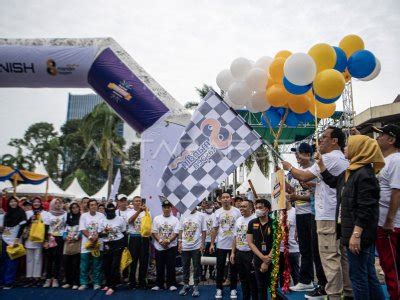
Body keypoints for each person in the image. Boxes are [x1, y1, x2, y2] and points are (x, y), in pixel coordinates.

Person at [282, 126, 353, 300]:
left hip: (327, 215)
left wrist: (289, 167)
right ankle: (348, 292)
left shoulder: (329, 157)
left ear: (335, 140)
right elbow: (330, 182)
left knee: (329, 258)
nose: (319, 140)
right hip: (337, 213)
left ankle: (333, 295)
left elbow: (304, 176)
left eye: (323, 137)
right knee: (341, 256)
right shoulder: (341, 158)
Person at [315, 134, 385, 299]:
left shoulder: (365, 175)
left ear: (359, 149)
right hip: (353, 232)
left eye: (349, 145)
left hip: (359, 234)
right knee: (367, 274)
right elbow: (333, 182)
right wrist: (321, 165)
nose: (345, 148)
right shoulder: (351, 172)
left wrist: (356, 234)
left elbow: (366, 208)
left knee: (358, 276)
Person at [287, 143, 325, 293]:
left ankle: (321, 282)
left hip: (313, 214)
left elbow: (317, 193)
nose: (297, 158)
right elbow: (292, 190)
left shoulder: (314, 169)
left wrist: (297, 196)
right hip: (300, 214)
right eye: (296, 156)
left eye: (299, 155)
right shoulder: (295, 172)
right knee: (304, 249)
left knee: (315, 250)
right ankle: (306, 280)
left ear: (308, 154)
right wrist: (283, 184)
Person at [371, 124, 400, 300]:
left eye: (381, 135)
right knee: (389, 266)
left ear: (391, 139)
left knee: (392, 269)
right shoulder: (386, 160)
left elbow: (397, 191)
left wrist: (389, 221)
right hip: (385, 224)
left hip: (391, 226)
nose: (378, 137)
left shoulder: (396, 160)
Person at [210, 192, 241, 299]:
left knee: (233, 268)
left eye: (227, 197)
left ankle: (233, 289)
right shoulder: (217, 212)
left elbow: (241, 227)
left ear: (230, 199)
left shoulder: (237, 211)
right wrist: (212, 243)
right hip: (221, 245)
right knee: (220, 267)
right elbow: (214, 229)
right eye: (223, 197)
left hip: (234, 245)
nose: (226, 199)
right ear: (220, 200)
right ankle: (219, 289)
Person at [247, 199, 273, 300]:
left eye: (260, 208)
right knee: (261, 287)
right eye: (256, 208)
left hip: (272, 258)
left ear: (267, 209)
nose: (257, 210)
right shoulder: (252, 223)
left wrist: (267, 261)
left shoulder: (274, 223)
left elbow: (277, 243)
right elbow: (250, 242)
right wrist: (262, 257)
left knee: (273, 286)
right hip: (258, 258)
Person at [230, 199, 257, 300]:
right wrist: (233, 252)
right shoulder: (238, 220)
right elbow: (235, 237)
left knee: (252, 280)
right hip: (239, 253)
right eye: (241, 206)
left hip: (251, 254)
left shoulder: (255, 220)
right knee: (243, 279)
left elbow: (258, 240)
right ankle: (245, 297)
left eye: (244, 206)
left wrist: (255, 256)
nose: (241, 208)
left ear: (251, 208)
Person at [98, 203, 127, 296]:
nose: (111, 212)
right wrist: (104, 232)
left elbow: (124, 232)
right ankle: (108, 283)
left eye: (112, 210)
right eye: (109, 211)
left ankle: (113, 286)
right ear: (106, 211)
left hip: (118, 243)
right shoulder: (102, 220)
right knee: (106, 265)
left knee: (115, 265)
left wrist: (124, 245)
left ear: (115, 210)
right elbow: (99, 234)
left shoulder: (120, 219)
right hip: (107, 244)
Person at [151, 199, 179, 291]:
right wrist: (160, 241)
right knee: (159, 266)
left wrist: (168, 241)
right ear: (162, 208)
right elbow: (154, 232)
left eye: (168, 207)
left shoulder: (175, 219)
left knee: (171, 265)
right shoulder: (156, 218)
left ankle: (171, 284)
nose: (166, 209)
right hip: (159, 246)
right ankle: (159, 284)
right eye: (165, 207)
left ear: (171, 208)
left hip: (171, 246)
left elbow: (176, 233)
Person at [0, 196, 27, 289]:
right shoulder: (7, 214)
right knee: (3, 260)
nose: (13, 203)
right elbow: (3, 227)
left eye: (14, 201)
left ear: (17, 202)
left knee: (12, 260)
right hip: (4, 238)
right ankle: (1, 280)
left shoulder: (21, 212)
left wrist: (17, 238)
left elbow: (22, 227)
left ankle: (9, 281)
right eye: (11, 202)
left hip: (15, 239)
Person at [178, 208, 206, 297]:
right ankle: (186, 285)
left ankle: (196, 285)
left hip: (196, 246)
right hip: (185, 246)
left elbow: (204, 231)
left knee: (196, 266)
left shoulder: (201, 215)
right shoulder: (183, 214)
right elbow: (180, 229)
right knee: (185, 266)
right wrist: (179, 242)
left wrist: (203, 243)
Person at [78, 199, 105, 290]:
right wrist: (90, 238)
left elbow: (102, 228)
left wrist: (96, 237)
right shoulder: (83, 216)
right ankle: (84, 283)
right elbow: (82, 229)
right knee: (84, 265)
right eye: (91, 205)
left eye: (95, 205)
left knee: (97, 264)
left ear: (97, 206)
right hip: (86, 245)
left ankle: (97, 283)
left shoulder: (101, 216)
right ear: (88, 207)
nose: (93, 206)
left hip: (98, 244)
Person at [24, 197, 50, 288]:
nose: (36, 203)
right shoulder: (28, 213)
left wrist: (46, 240)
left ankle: (36, 277)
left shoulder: (45, 213)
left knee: (38, 259)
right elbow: (24, 225)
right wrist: (31, 219)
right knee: (29, 259)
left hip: (39, 239)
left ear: (41, 203)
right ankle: (29, 277)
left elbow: (46, 227)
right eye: (34, 202)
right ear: (32, 203)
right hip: (29, 239)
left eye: (38, 202)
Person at [43, 198, 67, 288]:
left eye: (60, 203)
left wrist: (65, 234)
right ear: (52, 204)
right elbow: (46, 227)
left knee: (58, 259)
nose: (58, 204)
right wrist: (45, 240)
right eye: (56, 203)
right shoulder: (48, 214)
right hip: (50, 237)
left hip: (60, 238)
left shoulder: (65, 214)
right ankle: (48, 279)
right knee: (49, 258)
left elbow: (66, 226)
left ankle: (56, 279)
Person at [128, 196, 150, 289]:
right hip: (134, 238)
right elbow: (130, 221)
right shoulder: (129, 212)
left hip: (144, 238)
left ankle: (142, 282)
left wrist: (145, 212)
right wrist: (139, 211)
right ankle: (132, 282)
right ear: (132, 203)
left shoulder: (147, 212)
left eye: (139, 201)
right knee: (133, 261)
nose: (138, 202)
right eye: (136, 201)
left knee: (143, 261)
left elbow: (149, 225)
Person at [279, 198, 300, 287]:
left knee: (295, 274)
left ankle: (298, 293)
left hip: (293, 249)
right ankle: (283, 293)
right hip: (280, 249)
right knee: (282, 275)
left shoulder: (296, 212)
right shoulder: (278, 213)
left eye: (284, 197)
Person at [62, 202, 81, 290]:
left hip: (77, 243)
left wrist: (76, 238)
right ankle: (68, 282)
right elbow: (65, 230)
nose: (75, 209)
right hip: (67, 243)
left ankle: (76, 282)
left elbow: (82, 230)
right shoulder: (68, 218)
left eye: (76, 207)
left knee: (75, 264)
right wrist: (65, 237)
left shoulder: (81, 218)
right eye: (73, 208)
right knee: (66, 263)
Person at [201, 200, 216, 281]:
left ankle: (212, 274)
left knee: (213, 259)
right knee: (204, 259)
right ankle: (203, 274)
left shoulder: (216, 215)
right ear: (204, 207)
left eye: (210, 207)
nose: (209, 208)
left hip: (214, 241)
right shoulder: (201, 215)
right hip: (205, 241)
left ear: (213, 206)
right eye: (207, 207)